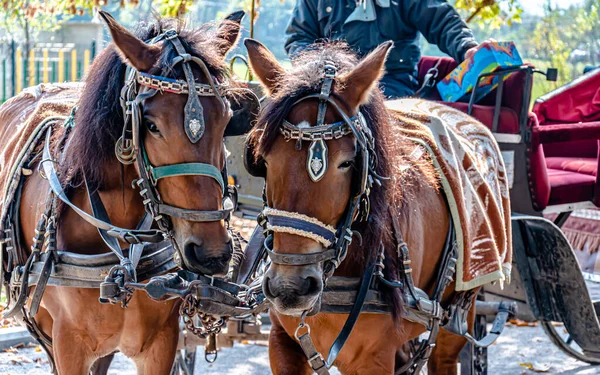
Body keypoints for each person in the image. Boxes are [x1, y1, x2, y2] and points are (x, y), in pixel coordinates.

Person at [284, 0, 492, 98]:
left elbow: (442, 21)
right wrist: (317, 70)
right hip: (329, 85)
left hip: (391, 83)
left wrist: (467, 48)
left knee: (372, 117)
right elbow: (299, 38)